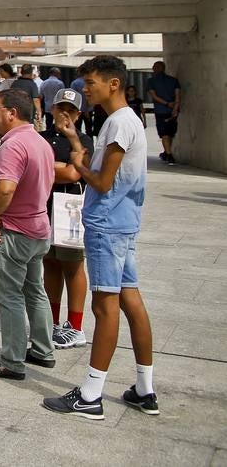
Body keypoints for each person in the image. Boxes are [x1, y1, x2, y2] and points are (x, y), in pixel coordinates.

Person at [44, 56, 158, 420]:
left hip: (107, 224)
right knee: (129, 298)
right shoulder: (122, 122)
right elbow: (105, 168)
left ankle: (91, 395)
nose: (85, 89)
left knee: (104, 305)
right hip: (122, 223)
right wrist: (76, 140)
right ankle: (144, 388)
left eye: (90, 82)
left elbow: (103, 182)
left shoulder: (120, 123)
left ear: (113, 84)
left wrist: (76, 166)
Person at [0, 88, 56, 380]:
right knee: (34, 290)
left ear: (12, 113)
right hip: (37, 229)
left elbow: (5, 188)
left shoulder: (14, 146)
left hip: (13, 232)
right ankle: (43, 349)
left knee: (9, 296)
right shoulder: (39, 142)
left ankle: (11, 360)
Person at [41, 89, 94, 350]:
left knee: (73, 266)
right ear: (51, 109)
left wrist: (72, 139)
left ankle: (75, 326)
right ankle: (51, 322)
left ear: (79, 114)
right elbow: (36, 168)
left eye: (71, 110)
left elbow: (76, 173)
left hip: (71, 208)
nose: (65, 114)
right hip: (43, 206)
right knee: (49, 263)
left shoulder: (84, 139)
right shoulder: (41, 138)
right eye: (60, 107)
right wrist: (62, 169)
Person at [146, 60, 181, 165]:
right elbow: (178, 95)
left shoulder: (151, 81)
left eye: (154, 67)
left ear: (158, 68)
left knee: (164, 134)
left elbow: (154, 96)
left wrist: (166, 104)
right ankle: (166, 152)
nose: (153, 68)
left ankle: (169, 155)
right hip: (173, 111)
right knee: (170, 133)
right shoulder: (174, 80)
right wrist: (175, 108)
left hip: (161, 110)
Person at [40, 68, 65, 132]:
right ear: (56, 74)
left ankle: (49, 138)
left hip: (47, 107)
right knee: (58, 124)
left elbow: (41, 96)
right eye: (59, 74)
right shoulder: (60, 83)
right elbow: (63, 97)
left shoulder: (43, 83)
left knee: (48, 125)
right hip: (58, 107)